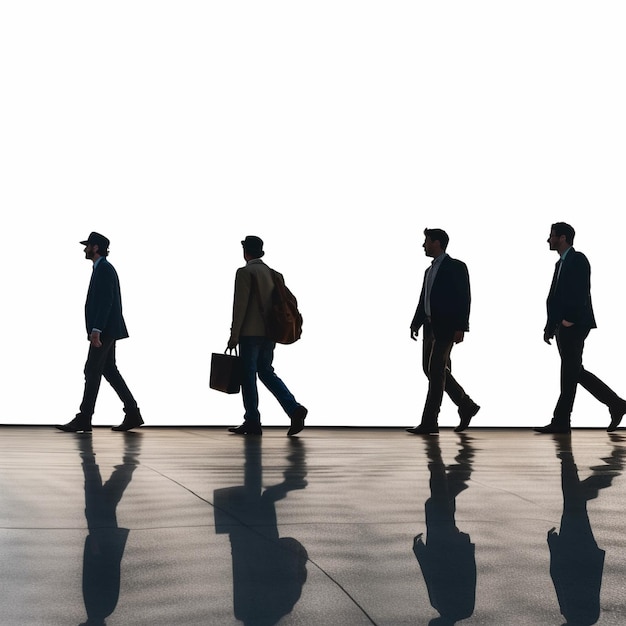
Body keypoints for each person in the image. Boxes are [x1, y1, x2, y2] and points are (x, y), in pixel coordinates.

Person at [535, 222, 626, 434]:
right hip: (563, 326)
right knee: (574, 371)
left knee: (570, 371)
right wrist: (551, 326)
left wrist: (569, 320)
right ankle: (616, 404)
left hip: (574, 325)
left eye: (552, 235)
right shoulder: (561, 264)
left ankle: (561, 421)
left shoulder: (578, 260)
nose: (549, 240)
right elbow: (555, 297)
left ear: (563, 238)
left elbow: (580, 291)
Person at [56, 232, 143, 433]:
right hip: (107, 328)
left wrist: (96, 330)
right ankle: (133, 412)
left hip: (104, 330)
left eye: (87, 246)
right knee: (109, 370)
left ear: (95, 248)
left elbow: (106, 301)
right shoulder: (101, 268)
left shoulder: (104, 269)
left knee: (92, 370)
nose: (84, 249)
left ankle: (84, 418)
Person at [226, 236, 307, 436]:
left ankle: (252, 420)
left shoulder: (245, 272)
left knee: (248, 375)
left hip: (249, 333)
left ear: (245, 251)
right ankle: (293, 408)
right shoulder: (274, 274)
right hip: (270, 333)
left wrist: (233, 335)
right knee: (266, 372)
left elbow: (240, 307)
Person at [407, 228, 480, 435]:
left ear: (437, 243)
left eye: (427, 241)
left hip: (447, 327)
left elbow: (464, 297)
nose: (424, 245)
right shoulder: (429, 271)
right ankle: (466, 404)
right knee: (430, 369)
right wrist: (416, 323)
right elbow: (424, 299)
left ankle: (430, 421)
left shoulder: (456, 267)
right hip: (429, 327)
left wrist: (461, 327)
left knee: (436, 371)